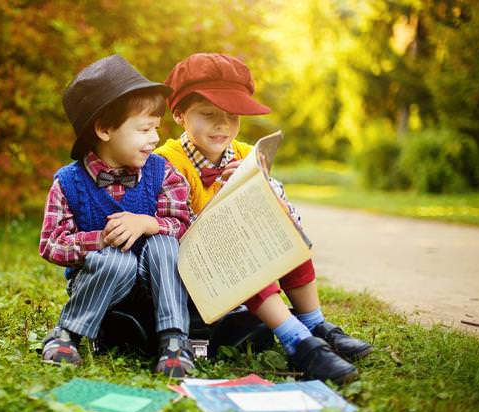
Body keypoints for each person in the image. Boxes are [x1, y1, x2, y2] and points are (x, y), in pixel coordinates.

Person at [155, 53, 373, 384]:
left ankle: (314, 322)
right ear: (180, 115)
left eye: (231, 116)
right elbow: (173, 230)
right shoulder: (166, 162)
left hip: (235, 266)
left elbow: (277, 208)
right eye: (208, 114)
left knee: (285, 230)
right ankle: (297, 341)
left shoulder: (244, 154)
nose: (222, 125)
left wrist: (259, 189)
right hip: (190, 271)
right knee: (241, 250)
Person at [39, 55, 195, 377]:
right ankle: (68, 334)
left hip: (157, 282)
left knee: (164, 244)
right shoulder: (69, 183)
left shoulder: (162, 172)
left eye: (156, 127)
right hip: (106, 285)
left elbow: (183, 224)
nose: (155, 138)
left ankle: (174, 341)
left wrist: (148, 223)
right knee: (116, 258)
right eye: (144, 129)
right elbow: (52, 244)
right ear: (104, 129)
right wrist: (101, 241)